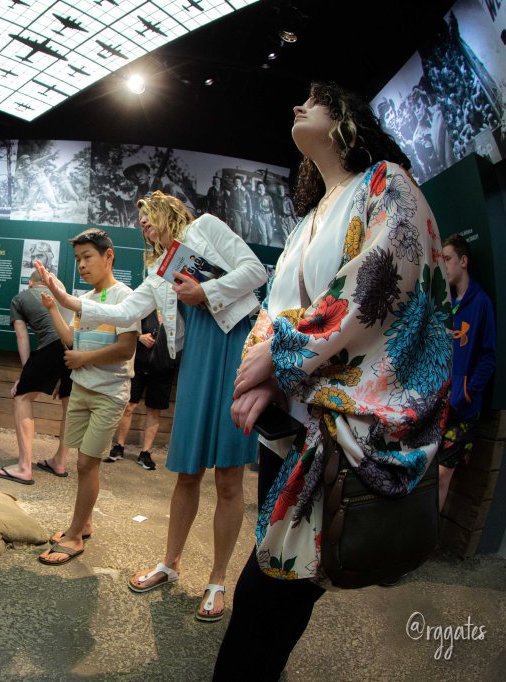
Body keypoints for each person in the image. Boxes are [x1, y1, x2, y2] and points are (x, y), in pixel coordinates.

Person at [222, 82, 451, 679]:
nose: (299, 104)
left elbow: (380, 281)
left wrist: (283, 355)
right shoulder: (308, 219)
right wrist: (264, 375)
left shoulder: (385, 183)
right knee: (277, 582)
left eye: (317, 98)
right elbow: (275, 308)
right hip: (288, 431)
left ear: (347, 118)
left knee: (269, 595)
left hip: (335, 434)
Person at [36, 191, 267, 621]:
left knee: (229, 478)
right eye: (139, 219)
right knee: (187, 473)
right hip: (195, 361)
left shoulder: (207, 227)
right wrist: (65, 300)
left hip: (232, 352)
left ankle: (217, 581)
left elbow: (256, 272)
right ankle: (170, 564)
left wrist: (204, 290)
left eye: (147, 215)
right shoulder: (159, 269)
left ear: (168, 210)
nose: (143, 224)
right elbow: (125, 310)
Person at [35, 229, 139, 565]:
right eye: (78, 259)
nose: (81, 264)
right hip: (81, 388)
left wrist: (83, 359)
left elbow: (126, 348)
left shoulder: (126, 297)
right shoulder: (84, 298)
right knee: (83, 461)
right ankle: (86, 523)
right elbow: (71, 339)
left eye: (87, 257)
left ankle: (75, 535)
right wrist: (53, 307)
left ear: (109, 256)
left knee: (86, 463)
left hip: (108, 393)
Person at [0, 271, 73, 484]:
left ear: (30, 283)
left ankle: (24, 467)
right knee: (69, 404)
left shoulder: (20, 298)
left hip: (53, 345)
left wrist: (25, 375)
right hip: (76, 348)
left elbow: (21, 335)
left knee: (22, 397)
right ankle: (60, 462)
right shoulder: (64, 296)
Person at [438, 233, 496, 508]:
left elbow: (489, 357)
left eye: (448, 259)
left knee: (442, 475)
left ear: (463, 261)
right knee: (427, 475)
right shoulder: (445, 302)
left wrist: (467, 393)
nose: (444, 265)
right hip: (438, 406)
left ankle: (431, 535)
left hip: (462, 411)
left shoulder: (481, 302)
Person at [107, 312, 175, 471]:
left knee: (154, 410)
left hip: (163, 369)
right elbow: (125, 327)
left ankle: (145, 453)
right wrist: (139, 337)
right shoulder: (146, 308)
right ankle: (119, 446)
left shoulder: (178, 312)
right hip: (138, 364)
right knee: (128, 406)